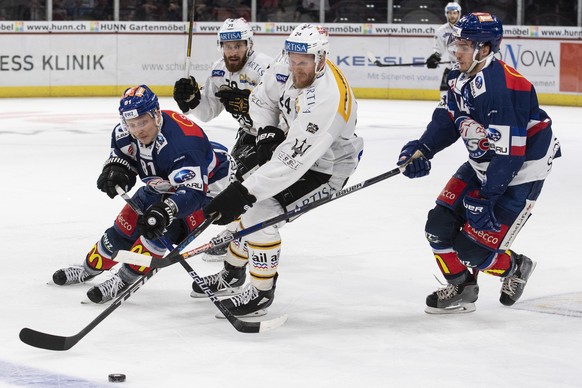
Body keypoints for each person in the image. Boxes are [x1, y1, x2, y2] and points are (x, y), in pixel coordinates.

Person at [191, 23, 364, 317]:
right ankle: (233, 274)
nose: (297, 68)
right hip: (293, 147)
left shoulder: (326, 99)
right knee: (248, 208)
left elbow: (292, 162)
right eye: (293, 60)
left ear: (321, 58)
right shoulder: (289, 61)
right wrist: (268, 130)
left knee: (260, 212)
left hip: (326, 165)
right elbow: (262, 99)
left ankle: (261, 293)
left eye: (304, 62)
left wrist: (244, 192)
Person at [397, 13, 561, 314]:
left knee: (472, 250)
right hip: (485, 162)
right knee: (438, 226)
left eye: (465, 44)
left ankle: (515, 267)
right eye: (456, 42)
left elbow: (511, 154)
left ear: (484, 49)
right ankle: (462, 287)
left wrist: (486, 198)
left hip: (521, 172)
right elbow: (448, 117)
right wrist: (423, 148)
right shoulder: (459, 76)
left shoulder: (503, 89)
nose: (456, 50)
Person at [52, 85, 234, 303]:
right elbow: (124, 158)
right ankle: (88, 268)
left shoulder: (184, 143)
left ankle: (124, 279)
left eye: (143, 122)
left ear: (156, 115)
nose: (138, 130)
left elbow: (193, 193)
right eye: (132, 124)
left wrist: (166, 210)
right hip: (163, 183)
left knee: (159, 231)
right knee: (124, 226)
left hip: (207, 190)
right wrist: (117, 170)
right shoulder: (123, 133)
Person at [173, 17, 273, 261]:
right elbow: (209, 112)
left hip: (271, 136)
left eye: (238, 45)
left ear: (249, 44)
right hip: (248, 135)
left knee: (246, 185)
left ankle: (240, 235)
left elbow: (282, 111)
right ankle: (241, 232)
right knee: (227, 180)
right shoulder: (219, 71)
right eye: (228, 46)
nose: (233, 51)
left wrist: (250, 106)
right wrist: (191, 101)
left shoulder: (267, 69)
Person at [426, 2, 461, 96]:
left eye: (454, 13)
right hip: (452, 66)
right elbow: (439, 49)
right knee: (444, 93)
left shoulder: (466, 28)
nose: (452, 15)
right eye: (450, 13)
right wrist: (435, 57)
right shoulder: (442, 31)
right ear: (446, 14)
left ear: (459, 14)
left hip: (467, 67)